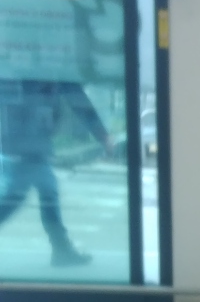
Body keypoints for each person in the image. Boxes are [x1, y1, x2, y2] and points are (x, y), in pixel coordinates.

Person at [0, 78, 114, 267]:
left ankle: (62, 249)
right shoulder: (46, 70)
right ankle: (62, 250)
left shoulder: (41, 70)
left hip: (28, 145)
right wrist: (103, 136)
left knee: (46, 193)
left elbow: (76, 99)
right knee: (18, 198)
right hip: (26, 146)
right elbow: (78, 100)